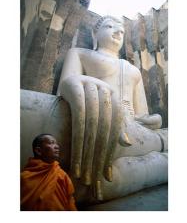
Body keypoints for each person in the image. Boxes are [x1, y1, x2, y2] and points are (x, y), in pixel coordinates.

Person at [57, 16, 168, 200]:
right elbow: (63, 92)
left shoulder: (134, 70)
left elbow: (143, 114)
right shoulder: (80, 53)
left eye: (122, 31)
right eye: (110, 26)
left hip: (135, 128)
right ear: (95, 33)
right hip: (98, 118)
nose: (118, 32)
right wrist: (79, 84)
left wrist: (152, 119)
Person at [21, 133, 77, 211]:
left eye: (56, 143)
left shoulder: (61, 174)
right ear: (38, 151)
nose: (57, 146)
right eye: (51, 143)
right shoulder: (24, 178)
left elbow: (70, 199)